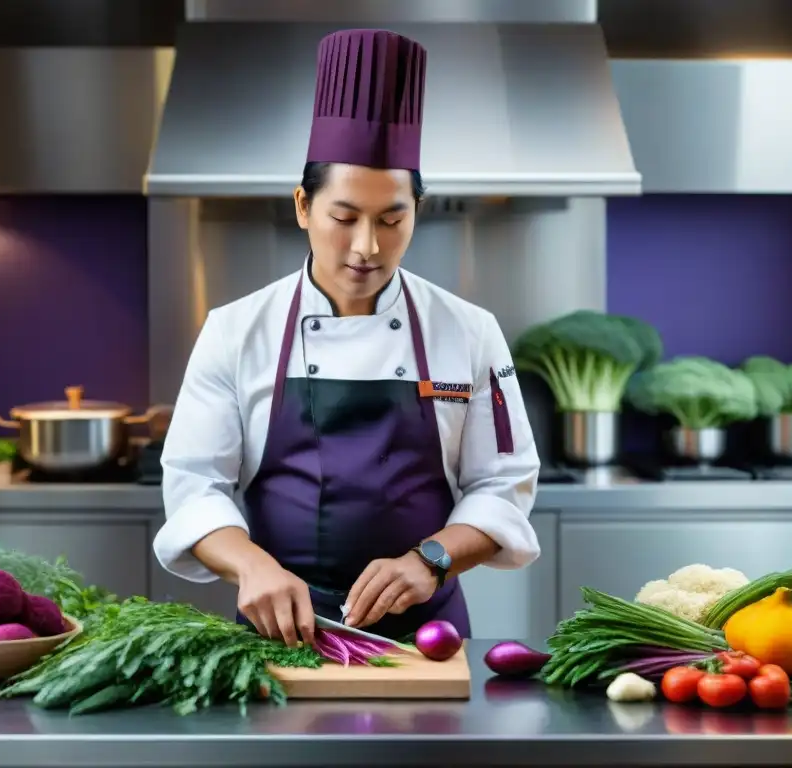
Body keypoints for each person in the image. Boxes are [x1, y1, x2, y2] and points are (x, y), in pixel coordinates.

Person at [153, 28, 541, 647]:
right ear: (304, 206)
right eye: (344, 218)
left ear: (417, 210)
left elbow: (503, 484)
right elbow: (195, 485)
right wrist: (253, 567)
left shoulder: (469, 331)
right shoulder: (236, 330)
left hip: (427, 636)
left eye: (392, 219)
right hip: (277, 631)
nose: (367, 246)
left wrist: (430, 560)